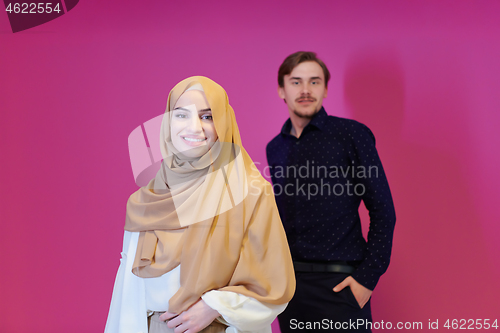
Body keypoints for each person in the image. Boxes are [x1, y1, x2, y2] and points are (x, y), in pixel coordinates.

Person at [105, 76, 295, 333]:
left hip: (217, 327)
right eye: (181, 115)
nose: (194, 127)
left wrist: (215, 307)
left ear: (223, 124)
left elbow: (273, 283)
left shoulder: (250, 192)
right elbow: (127, 289)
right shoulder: (146, 200)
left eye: (207, 117)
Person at [266, 52, 396, 332]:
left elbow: (383, 210)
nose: (305, 90)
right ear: (281, 90)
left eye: (314, 82)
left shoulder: (351, 134)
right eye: (296, 82)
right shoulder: (274, 148)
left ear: (325, 89)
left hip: (341, 286)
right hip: (290, 289)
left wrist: (366, 279)